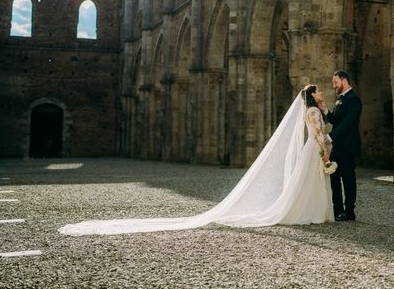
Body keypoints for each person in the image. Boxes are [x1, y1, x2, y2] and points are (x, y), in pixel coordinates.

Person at [59, 85, 334, 235]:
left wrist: (324, 129)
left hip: (313, 149)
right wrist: (325, 152)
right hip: (314, 149)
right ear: (311, 95)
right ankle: (306, 211)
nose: (322, 92)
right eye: (319, 90)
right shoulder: (311, 112)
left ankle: (310, 211)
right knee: (309, 181)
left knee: (308, 182)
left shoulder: (312, 109)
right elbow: (319, 134)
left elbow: (321, 127)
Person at [320, 70, 362, 221]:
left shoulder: (354, 99)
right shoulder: (340, 100)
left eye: (335, 82)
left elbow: (348, 123)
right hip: (337, 147)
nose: (334, 86)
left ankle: (349, 211)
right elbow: (336, 120)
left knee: (348, 179)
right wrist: (325, 109)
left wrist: (330, 136)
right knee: (334, 178)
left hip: (348, 147)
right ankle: (338, 210)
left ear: (344, 81)